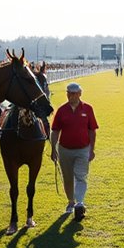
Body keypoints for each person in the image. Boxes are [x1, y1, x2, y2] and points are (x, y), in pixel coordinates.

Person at [51, 82, 99, 222]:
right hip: (65, 149)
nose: (71, 96)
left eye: (74, 93)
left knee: (81, 176)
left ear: (79, 94)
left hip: (83, 149)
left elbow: (92, 130)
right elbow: (55, 131)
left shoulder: (87, 109)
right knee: (67, 178)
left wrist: (92, 150)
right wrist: (53, 149)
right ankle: (71, 201)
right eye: (69, 93)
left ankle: (79, 203)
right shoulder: (61, 110)